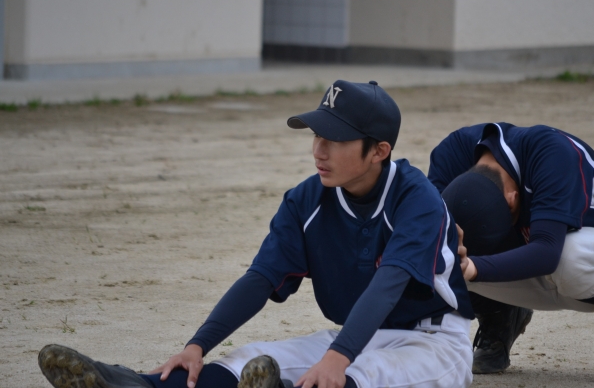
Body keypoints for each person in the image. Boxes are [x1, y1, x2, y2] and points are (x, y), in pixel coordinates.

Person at [38, 80, 476, 388]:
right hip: (358, 336)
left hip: (433, 343)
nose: (319, 150)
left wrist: (338, 357)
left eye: (336, 139)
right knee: (246, 362)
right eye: (317, 134)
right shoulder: (306, 200)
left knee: (358, 376)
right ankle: (136, 384)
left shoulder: (417, 199)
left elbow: (388, 285)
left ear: (379, 150)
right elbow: (261, 278)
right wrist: (197, 345)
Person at [427, 122, 594, 382]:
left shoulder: (551, 153)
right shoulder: (453, 153)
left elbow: (547, 252)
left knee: (570, 256)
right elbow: (428, 233)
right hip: (535, 260)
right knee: (443, 258)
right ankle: (500, 316)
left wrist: (475, 268)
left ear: (511, 199)